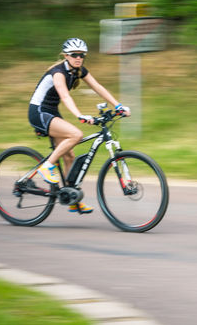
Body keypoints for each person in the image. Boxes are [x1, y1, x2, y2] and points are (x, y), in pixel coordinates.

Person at [29, 38, 130, 213]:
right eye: (74, 55)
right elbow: (65, 96)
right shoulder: (58, 72)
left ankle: (71, 198)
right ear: (66, 55)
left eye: (81, 55)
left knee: (69, 156)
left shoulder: (78, 71)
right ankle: (46, 166)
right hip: (39, 112)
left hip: (51, 112)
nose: (78, 58)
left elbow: (98, 87)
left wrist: (118, 105)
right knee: (76, 135)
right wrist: (80, 115)